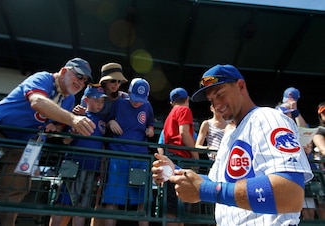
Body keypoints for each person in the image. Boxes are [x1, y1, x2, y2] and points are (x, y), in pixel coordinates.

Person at [152, 64, 313, 226]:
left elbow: (290, 194)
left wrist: (206, 191)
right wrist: (176, 171)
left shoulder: (268, 118)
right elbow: (216, 182)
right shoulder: (229, 134)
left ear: (240, 86)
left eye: (220, 94)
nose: (216, 104)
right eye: (211, 100)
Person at [0, 57, 96, 226]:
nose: (81, 82)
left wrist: (58, 128)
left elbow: (57, 126)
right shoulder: (43, 78)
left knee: (14, 191)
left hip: (23, 146)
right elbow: (37, 101)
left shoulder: (69, 100)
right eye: (79, 76)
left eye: (85, 80)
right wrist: (72, 119)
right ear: (65, 71)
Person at [49, 86, 107, 226]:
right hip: (73, 165)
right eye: (96, 100)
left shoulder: (102, 121)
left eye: (102, 101)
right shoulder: (76, 116)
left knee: (82, 207)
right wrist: (74, 133)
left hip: (92, 168)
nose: (99, 103)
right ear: (86, 100)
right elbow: (65, 140)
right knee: (63, 204)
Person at [102, 78, 154, 226]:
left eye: (141, 100)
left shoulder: (147, 106)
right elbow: (107, 120)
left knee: (142, 200)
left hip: (139, 159)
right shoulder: (119, 103)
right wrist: (110, 122)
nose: (138, 103)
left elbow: (150, 123)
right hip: (118, 157)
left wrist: (150, 129)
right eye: (135, 98)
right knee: (113, 199)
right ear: (129, 92)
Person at [159, 87, 199, 226]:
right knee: (182, 200)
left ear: (172, 102)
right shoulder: (185, 110)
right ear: (187, 99)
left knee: (173, 201)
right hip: (181, 158)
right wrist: (195, 156)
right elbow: (184, 133)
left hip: (171, 157)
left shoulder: (170, 114)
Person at [275, 105, 317, 219]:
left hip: (300, 176)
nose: (290, 118)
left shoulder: (296, 131)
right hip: (283, 177)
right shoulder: (273, 131)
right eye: (287, 115)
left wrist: (307, 151)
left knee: (309, 210)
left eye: (291, 116)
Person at [312, 102, 325, 219]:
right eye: (324, 113)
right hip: (323, 176)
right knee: (323, 204)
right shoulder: (319, 131)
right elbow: (323, 149)